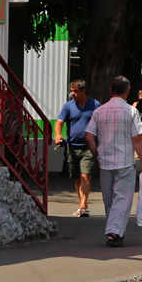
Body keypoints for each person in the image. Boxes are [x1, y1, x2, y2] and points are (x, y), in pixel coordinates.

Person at [85, 76, 142, 247]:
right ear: (128, 92)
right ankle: (114, 232)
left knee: (109, 199)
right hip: (124, 161)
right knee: (122, 198)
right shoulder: (131, 111)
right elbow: (137, 139)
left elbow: (89, 137)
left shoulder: (99, 111)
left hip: (105, 161)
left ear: (110, 90)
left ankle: (114, 230)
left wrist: (97, 154)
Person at [55, 80, 99, 218]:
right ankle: (82, 206)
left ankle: (83, 206)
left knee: (85, 175)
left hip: (89, 147)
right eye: (71, 91)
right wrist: (58, 135)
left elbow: (102, 122)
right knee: (77, 177)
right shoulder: (68, 106)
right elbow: (59, 122)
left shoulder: (95, 105)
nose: (72, 94)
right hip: (72, 147)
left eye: (75, 91)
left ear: (83, 90)